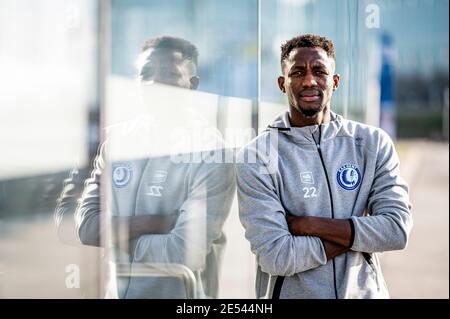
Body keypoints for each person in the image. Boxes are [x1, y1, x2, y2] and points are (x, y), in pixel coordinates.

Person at [55, 36, 235, 299]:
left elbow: (183, 253)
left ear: (192, 85)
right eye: (146, 73)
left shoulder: (212, 153)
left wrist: (115, 240)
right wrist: (154, 223)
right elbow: (84, 227)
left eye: (169, 74)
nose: (154, 83)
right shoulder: (115, 141)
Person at [236, 34, 413, 299]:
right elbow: (277, 257)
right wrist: (359, 234)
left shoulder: (372, 144)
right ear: (283, 84)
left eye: (319, 71)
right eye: (298, 72)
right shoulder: (258, 156)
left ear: (335, 81)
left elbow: (396, 231)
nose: (309, 80)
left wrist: (309, 224)